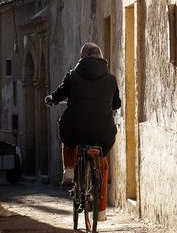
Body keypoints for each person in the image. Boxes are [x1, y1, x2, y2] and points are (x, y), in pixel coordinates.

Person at [45, 42, 121, 221]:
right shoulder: (111, 79)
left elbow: (59, 94)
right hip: (103, 132)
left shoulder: (73, 76)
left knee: (67, 134)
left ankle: (69, 170)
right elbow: (116, 104)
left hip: (76, 129)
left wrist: (51, 99)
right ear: (101, 57)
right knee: (102, 163)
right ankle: (100, 212)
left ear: (83, 57)